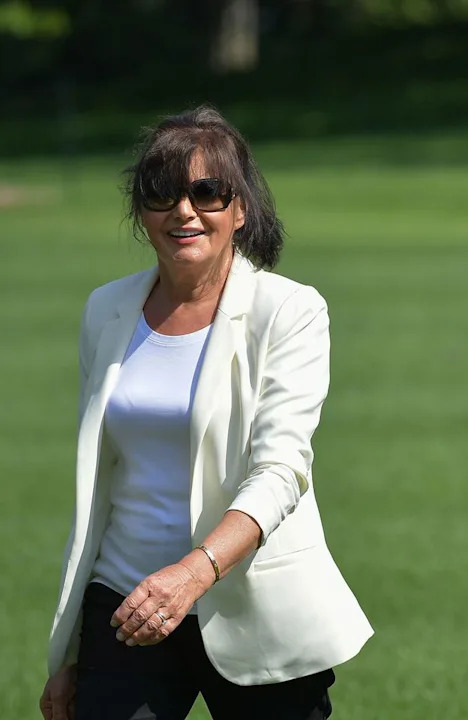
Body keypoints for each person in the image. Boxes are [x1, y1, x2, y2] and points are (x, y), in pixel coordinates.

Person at [40, 105, 373, 720]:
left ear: (240, 209)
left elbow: (282, 470)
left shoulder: (290, 311)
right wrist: (69, 656)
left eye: (207, 192)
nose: (184, 211)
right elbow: (104, 482)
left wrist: (194, 573)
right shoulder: (104, 310)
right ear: (140, 211)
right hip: (125, 602)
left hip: (254, 607)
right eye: (162, 193)